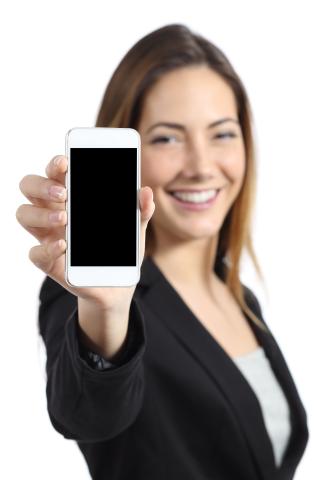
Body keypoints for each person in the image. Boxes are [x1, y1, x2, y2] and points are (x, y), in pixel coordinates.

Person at [16, 23, 309, 480]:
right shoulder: (91, 294)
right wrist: (106, 310)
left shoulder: (238, 296)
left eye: (223, 134)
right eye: (167, 138)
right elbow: (89, 417)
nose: (200, 166)